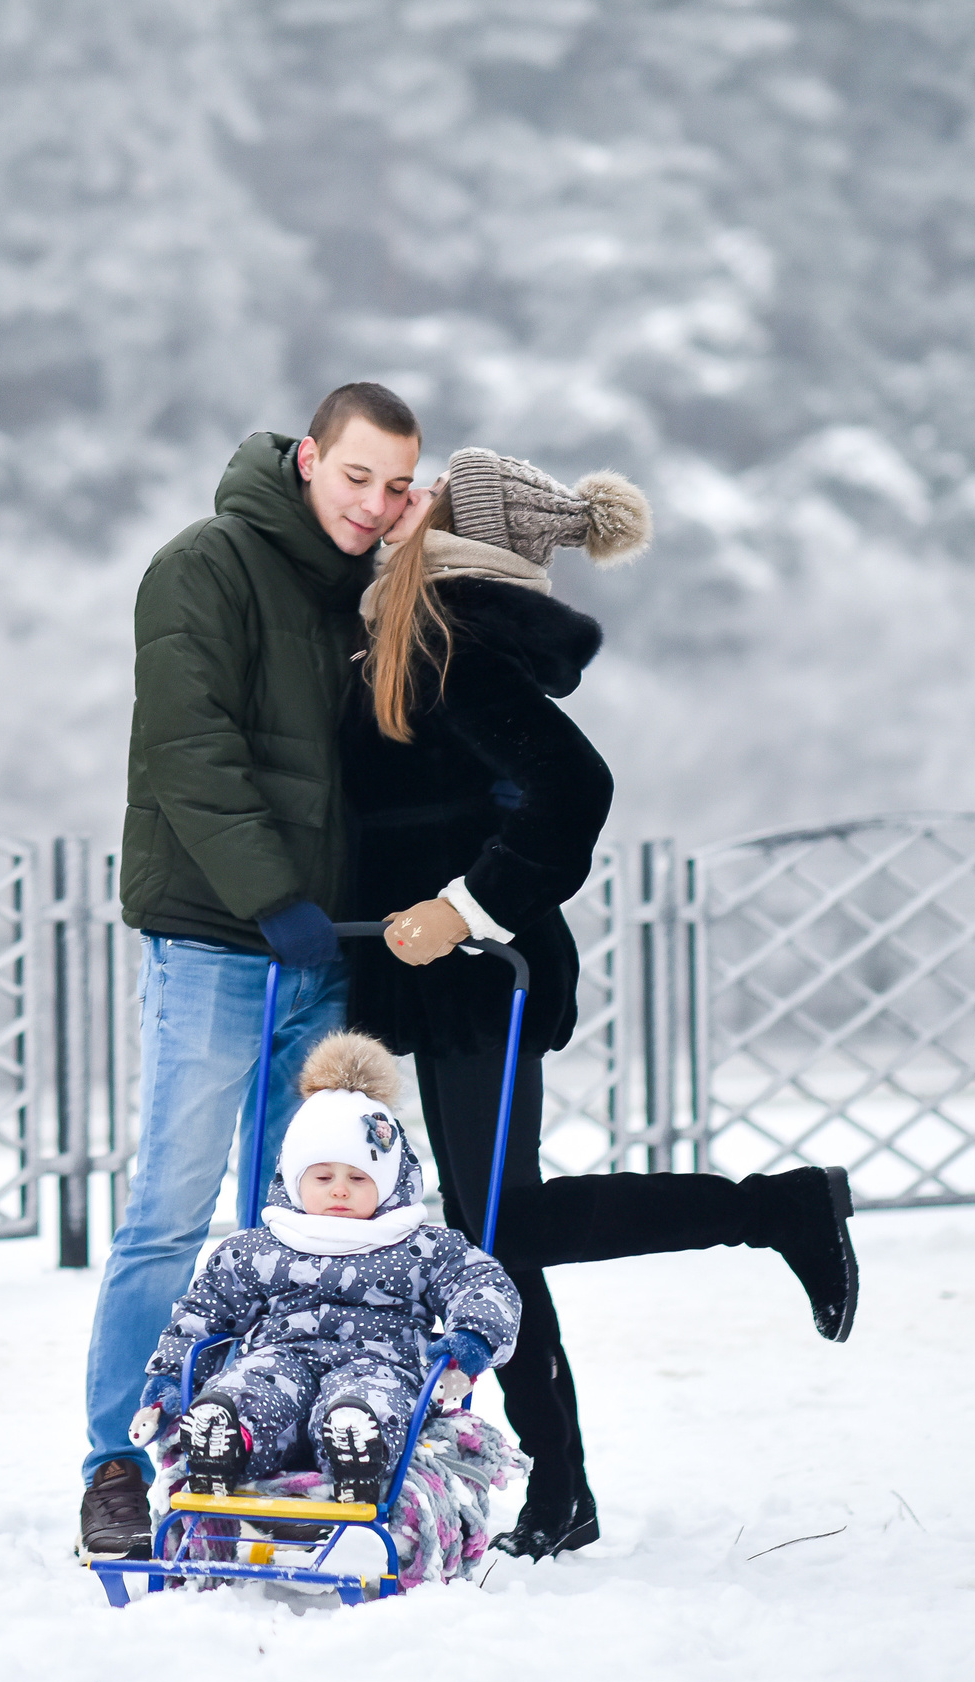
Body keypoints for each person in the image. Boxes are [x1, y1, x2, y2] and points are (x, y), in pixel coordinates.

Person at [344, 446, 861, 1561]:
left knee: (494, 1229)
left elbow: (572, 789)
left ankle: (777, 1210)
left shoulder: (450, 639)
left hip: (476, 971)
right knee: (493, 1233)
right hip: (421, 972)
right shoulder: (409, 632)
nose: (396, 507)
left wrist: (468, 907)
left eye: (418, 496)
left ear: (456, 531)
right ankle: (558, 1495)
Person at [76, 382, 423, 1562]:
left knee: (292, 1221)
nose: (372, 505)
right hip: (219, 937)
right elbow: (188, 744)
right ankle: (118, 1462)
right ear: (309, 458)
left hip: (318, 948)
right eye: (355, 478)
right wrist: (270, 897)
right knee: (170, 1216)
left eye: (394, 487)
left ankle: (246, 1439)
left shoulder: (361, 589)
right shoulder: (205, 565)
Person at [127, 1032, 521, 1506]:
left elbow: (481, 1283)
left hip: (382, 1361)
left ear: (390, 1183)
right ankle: (227, 1438)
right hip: (281, 1356)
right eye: (322, 1177)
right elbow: (202, 1314)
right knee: (251, 1383)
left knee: (370, 1396)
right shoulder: (257, 1249)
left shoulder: (421, 1246)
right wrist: (171, 1378)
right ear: (295, 1179)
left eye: (358, 1178)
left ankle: (355, 1448)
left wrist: (473, 1336)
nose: (339, 1190)